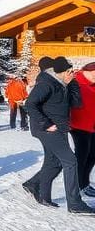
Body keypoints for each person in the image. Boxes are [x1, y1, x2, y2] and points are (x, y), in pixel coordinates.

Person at [23, 56, 95, 215]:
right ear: (59, 72)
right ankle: (75, 204)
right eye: (69, 71)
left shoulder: (63, 84)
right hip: (48, 129)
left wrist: (73, 83)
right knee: (70, 161)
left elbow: (77, 104)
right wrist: (46, 124)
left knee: (54, 162)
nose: (72, 74)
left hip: (60, 128)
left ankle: (39, 190)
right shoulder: (46, 84)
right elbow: (29, 104)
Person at [71, 62, 95, 198]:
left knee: (93, 155)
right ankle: (77, 186)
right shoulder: (75, 83)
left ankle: (84, 183)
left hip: (92, 125)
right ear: (85, 71)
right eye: (94, 73)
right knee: (82, 156)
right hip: (78, 125)